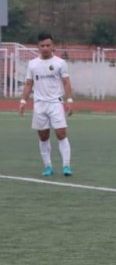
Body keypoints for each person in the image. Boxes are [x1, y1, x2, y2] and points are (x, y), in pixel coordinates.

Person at [18, 32, 74, 177]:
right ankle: (48, 166)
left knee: (61, 134)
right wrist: (23, 101)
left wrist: (69, 100)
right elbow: (29, 83)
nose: (45, 48)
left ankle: (66, 165)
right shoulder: (32, 64)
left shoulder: (60, 63)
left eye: (48, 45)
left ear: (53, 46)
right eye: (42, 45)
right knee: (43, 136)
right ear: (38, 46)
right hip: (39, 104)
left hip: (55, 103)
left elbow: (66, 82)